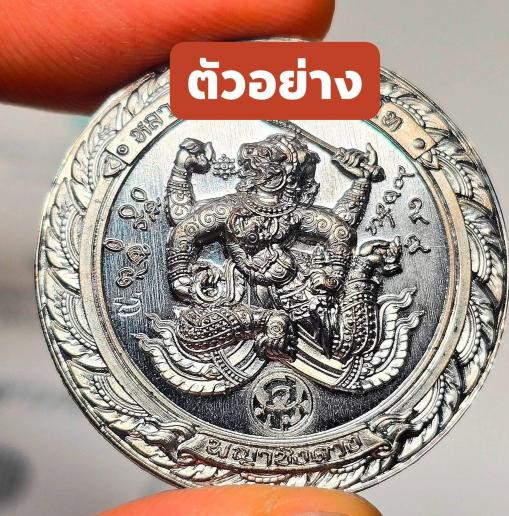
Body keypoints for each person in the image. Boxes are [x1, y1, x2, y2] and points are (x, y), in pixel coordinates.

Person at [0, 0, 380, 513]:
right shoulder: (228, 211)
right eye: (260, 167)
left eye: (272, 169)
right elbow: (184, 229)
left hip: (301, 302)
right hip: (240, 308)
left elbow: (338, 228)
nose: (261, 174)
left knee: (340, 341)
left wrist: (348, 221)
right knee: (192, 329)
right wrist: (182, 273)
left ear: (287, 178)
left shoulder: (296, 215)